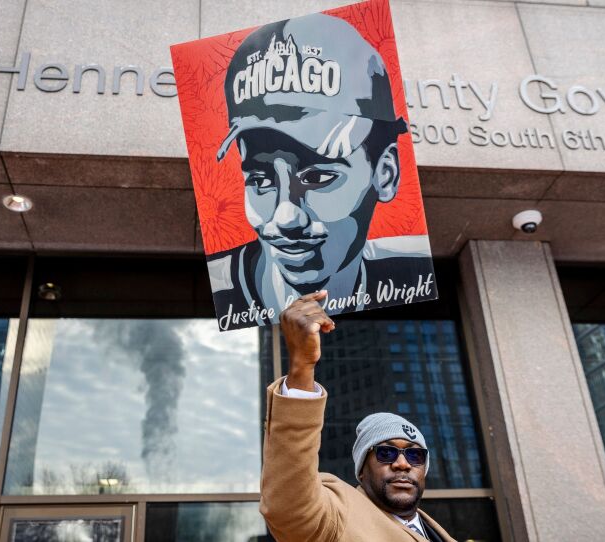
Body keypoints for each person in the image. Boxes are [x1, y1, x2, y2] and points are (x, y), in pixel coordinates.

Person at [207, 12, 435, 330]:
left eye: (317, 177)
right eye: (260, 179)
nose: (286, 218)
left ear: (385, 174)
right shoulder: (216, 288)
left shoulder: (411, 269)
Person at [259, 291, 456, 541]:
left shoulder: (434, 531)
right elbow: (289, 506)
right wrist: (302, 366)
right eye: (386, 452)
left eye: (415, 455)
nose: (402, 463)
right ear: (362, 469)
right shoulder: (339, 514)